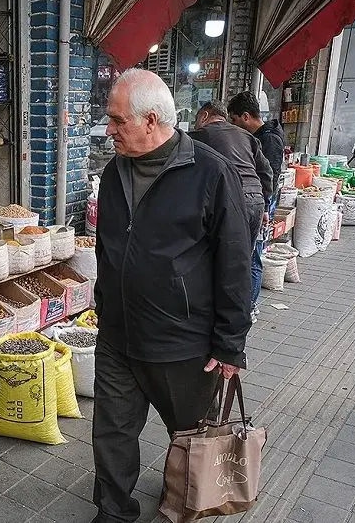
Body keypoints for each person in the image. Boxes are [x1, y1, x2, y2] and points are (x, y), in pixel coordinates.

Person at [92, 69, 252, 523]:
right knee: (111, 435)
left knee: (191, 437)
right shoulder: (112, 172)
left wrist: (229, 344)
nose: (110, 130)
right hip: (119, 336)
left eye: (118, 121)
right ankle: (113, 513)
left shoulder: (209, 171)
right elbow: (108, 245)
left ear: (151, 120)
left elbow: (235, 261)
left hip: (182, 343)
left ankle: (185, 506)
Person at [190, 100, 272, 322]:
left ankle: (225, 316)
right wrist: (264, 203)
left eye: (197, 119)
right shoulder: (246, 136)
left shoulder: (201, 136)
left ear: (205, 116)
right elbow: (266, 171)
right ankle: (244, 311)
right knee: (244, 259)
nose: (197, 124)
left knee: (221, 259)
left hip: (230, 199)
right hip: (255, 200)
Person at [227, 91, 285, 320]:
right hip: (259, 202)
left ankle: (249, 306)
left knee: (253, 255)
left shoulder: (268, 139)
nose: (234, 125)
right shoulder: (264, 135)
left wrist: (264, 209)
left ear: (245, 117)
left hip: (260, 203)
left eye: (234, 120)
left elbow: (268, 175)